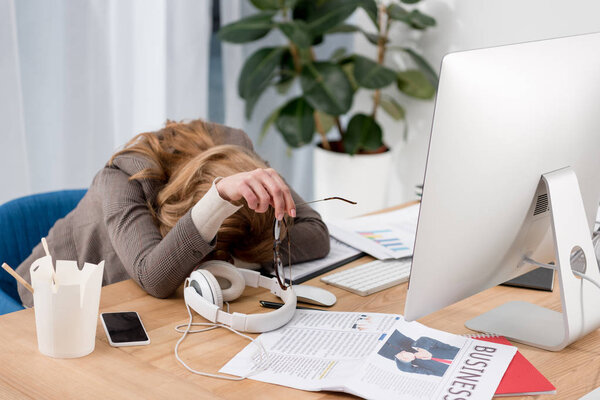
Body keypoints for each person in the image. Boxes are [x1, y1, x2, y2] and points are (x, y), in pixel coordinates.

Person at [15, 120, 330, 307]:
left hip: (153, 302)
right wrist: (217, 201)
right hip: (61, 299)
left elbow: (316, 235)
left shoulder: (237, 150)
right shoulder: (123, 177)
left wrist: (246, 248)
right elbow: (154, 276)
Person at [377, 330, 460, 377]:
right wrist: (422, 349)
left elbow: (409, 369)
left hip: (385, 350)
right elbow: (426, 340)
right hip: (395, 337)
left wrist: (405, 361)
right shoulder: (458, 352)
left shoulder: (445, 373)